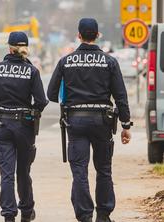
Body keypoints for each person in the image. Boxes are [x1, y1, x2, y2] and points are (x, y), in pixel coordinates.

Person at [47, 18, 132, 222]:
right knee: (103, 169)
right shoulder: (110, 62)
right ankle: (103, 214)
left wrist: (67, 94)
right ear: (97, 35)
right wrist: (126, 125)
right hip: (102, 122)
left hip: (75, 122)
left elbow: (50, 94)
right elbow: (120, 95)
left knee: (79, 171)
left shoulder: (65, 61)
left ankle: (84, 215)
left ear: (79, 35)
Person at [0, 32, 48, 222]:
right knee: (23, 171)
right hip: (24, 126)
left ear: (9, 48)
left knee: (7, 174)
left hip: (2, 124)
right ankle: (26, 211)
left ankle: (9, 215)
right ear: (26, 47)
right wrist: (31, 111)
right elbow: (41, 100)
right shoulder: (31, 71)